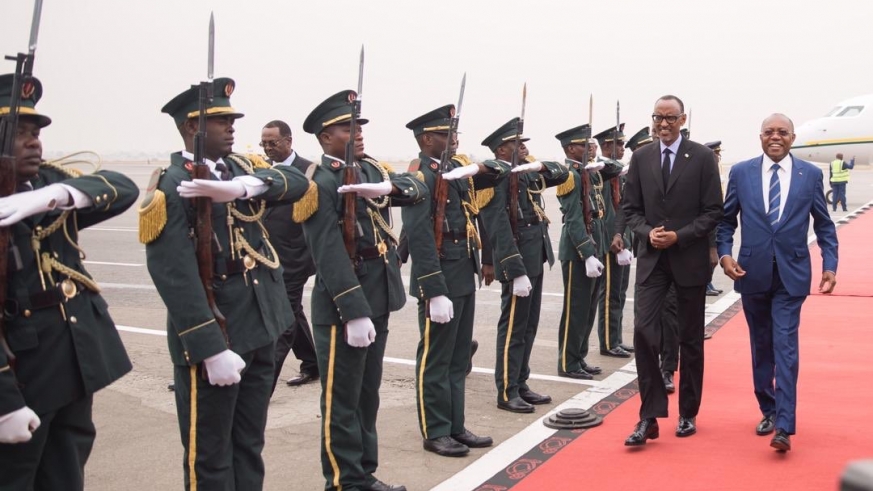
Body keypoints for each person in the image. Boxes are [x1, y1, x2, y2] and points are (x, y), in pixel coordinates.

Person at [144, 77, 311, 490]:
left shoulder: (242, 169)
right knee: (211, 454)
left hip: (260, 327)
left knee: (249, 443)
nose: (232, 126)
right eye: (221, 120)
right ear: (191, 127)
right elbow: (175, 276)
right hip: (218, 332)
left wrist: (242, 187)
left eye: (232, 119)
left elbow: (298, 183)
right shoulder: (172, 185)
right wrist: (210, 349)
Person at [0, 74, 138, 491]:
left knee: (66, 471)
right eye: (20, 133)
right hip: (20, 367)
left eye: (36, 133)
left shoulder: (47, 184)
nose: (34, 142)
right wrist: (4, 401)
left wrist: (55, 196)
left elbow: (122, 188)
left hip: (69, 356)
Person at [298, 89, 426, 491]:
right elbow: (327, 252)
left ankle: (364, 473)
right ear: (325, 138)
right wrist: (353, 310)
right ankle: (344, 481)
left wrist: (387, 190)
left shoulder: (370, 171)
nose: (357, 133)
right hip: (344, 305)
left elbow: (417, 188)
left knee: (368, 395)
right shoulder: (319, 182)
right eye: (346, 128)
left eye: (358, 126)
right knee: (342, 400)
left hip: (378, 294)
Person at [717, 113, 838, 452]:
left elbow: (824, 225)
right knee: (761, 347)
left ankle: (784, 425)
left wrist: (830, 265)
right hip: (751, 273)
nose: (775, 137)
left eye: (782, 132)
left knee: (785, 346)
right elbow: (725, 222)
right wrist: (725, 255)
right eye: (769, 131)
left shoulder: (809, 175)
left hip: (791, 276)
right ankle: (768, 408)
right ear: (760, 137)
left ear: (792, 137)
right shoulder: (741, 173)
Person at [622, 95, 723, 446]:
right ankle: (649, 416)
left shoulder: (702, 158)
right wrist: (646, 232)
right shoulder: (641, 157)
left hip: (688, 259)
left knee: (689, 340)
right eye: (657, 118)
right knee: (643, 333)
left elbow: (713, 211)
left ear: (682, 120)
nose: (663, 124)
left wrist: (680, 236)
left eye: (670, 118)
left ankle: (687, 413)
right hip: (652, 261)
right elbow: (630, 209)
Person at [401, 105, 500, 457]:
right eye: (446, 134)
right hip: (440, 278)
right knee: (436, 359)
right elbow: (418, 234)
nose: (454, 139)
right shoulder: (420, 176)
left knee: (458, 359)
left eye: (454, 133)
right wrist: (433, 289)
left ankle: (456, 425)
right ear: (427, 139)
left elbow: (500, 171)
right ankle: (436, 430)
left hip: (462, 273)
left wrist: (477, 168)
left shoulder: (456, 171)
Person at [477, 118, 569, 413]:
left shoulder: (525, 173)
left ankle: (521, 382)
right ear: (501, 150)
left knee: (529, 326)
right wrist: (515, 270)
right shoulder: (494, 179)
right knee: (514, 328)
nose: (524, 147)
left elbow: (561, 173)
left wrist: (537, 167)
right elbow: (497, 227)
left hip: (534, 256)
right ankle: (507, 390)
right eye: (517, 144)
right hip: (517, 261)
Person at [553, 124, 623, 381]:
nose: (590, 148)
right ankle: (568, 362)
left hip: (596, 247)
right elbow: (574, 219)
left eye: (591, 144)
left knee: (589, 308)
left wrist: (600, 163)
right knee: (576, 309)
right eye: (584, 145)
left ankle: (579, 356)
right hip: (577, 253)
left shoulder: (589, 173)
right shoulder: (570, 176)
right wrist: (587, 253)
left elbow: (615, 169)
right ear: (570, 149)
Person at [259, 120, 319, 391]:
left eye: (273, 142)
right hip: (269, 257)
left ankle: (262, 386)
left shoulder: (309, 171)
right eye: (264, 143)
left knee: (283, 317)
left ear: (288, 141)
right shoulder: (261, 171)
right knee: (293, 312)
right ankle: (312, 363)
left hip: (297, 257)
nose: (268, 148)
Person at [594, 124, 635, 358]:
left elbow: (625, 209)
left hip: (622, 240)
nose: (622, 148)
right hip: (611, 242)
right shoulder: (602, 171)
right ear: (606, 146)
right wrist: (617, 240)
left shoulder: (619, 171)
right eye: (618, 144)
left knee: (619, 292)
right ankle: (608, 342)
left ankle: (616, 337)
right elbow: (607, 212)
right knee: (609, 293)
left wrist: (627, 240)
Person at [704, 141, 725, 297]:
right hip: (707, 223)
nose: (718, 157)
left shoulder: (716, 169)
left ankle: (708, 282)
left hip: (716, 219)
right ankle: (706, 283)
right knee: (708, 256)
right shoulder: (705, 172)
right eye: (715, 153)